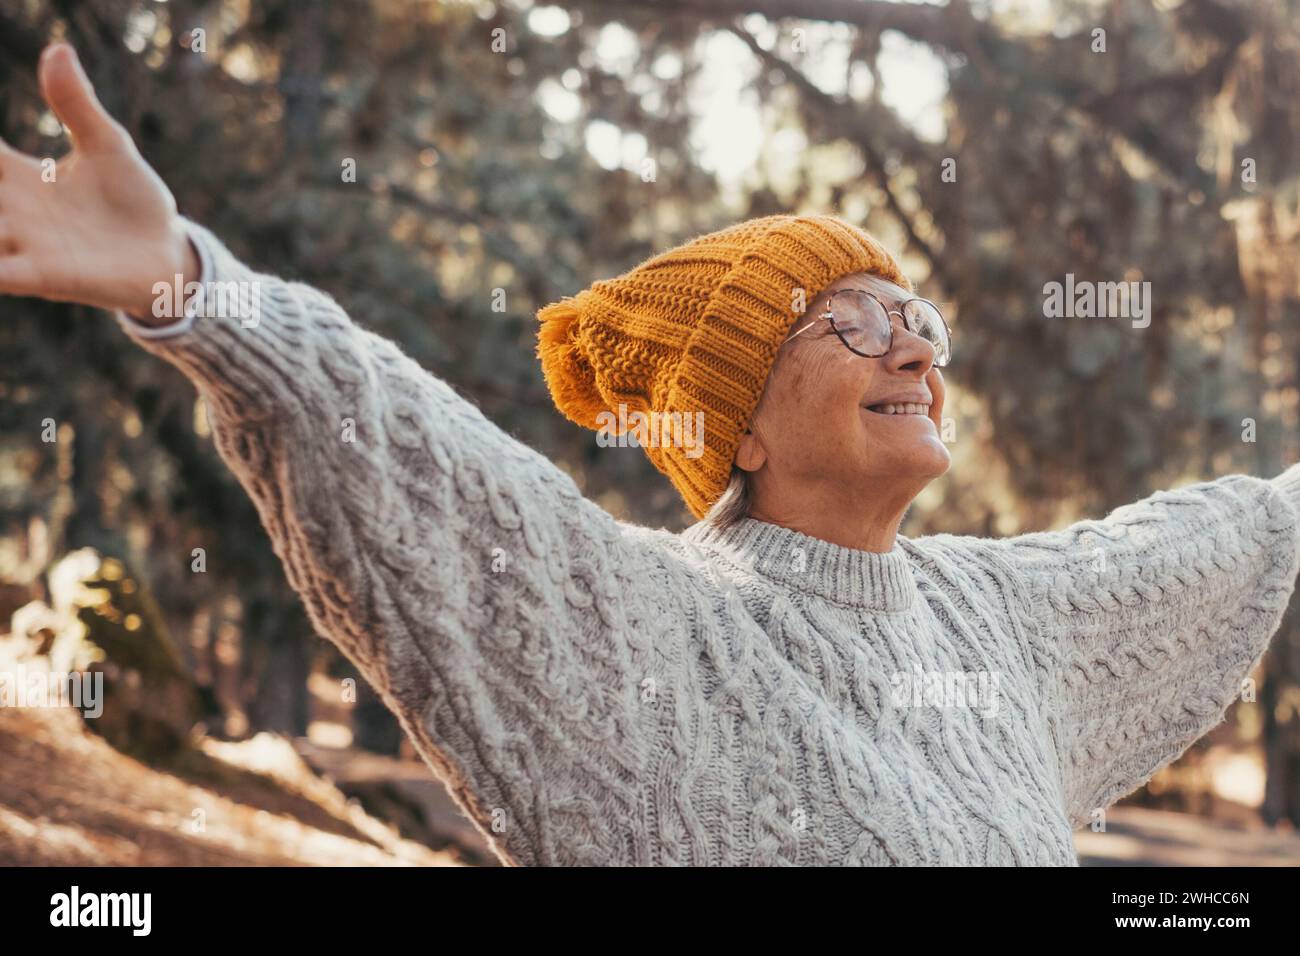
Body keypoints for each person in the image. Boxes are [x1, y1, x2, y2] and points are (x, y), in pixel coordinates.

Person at [5, 43, 1299, 866]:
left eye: (919, 322)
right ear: (736, 422)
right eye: (852, 327)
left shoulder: (995, 615)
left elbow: (1199, 545)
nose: (911, 352)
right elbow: (435, 481)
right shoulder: (663, 639)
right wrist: (198, 293)